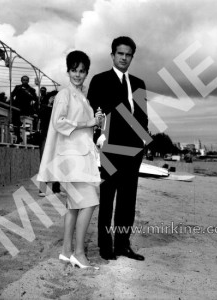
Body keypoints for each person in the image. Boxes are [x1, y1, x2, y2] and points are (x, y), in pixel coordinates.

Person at [37, 50, 103, 269]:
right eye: (74, 70)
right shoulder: (64, 94)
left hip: (81, 155)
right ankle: (79, 253)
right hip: (72, 158)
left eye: (82, 71)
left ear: (86, 73)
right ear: (68, 71)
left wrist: (96, 121)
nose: (77, 74)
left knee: (75, 206)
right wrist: (89, 122)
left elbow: (83, 123)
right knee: (91, 201)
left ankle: (66, 251)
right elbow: (59, 122)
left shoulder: (81, 95)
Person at [87, 36, 148, 261]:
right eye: (120, 53)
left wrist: (143, 144)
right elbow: (93, 110)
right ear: (112, 55)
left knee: (127, 200)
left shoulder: (139, 83)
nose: (124, 58)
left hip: (134, 150)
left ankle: (123, 244)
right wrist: (99, 137)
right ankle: (105, 246)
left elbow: (142, 117)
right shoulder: (100, 80)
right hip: (110, 147)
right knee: (107, 198)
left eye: (128, 54)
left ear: (132, 57)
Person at [38, 86, 61, 196]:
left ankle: (56, 189)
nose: (55, 99)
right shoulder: (44, 107)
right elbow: (41, 115)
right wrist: (49, 104)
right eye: (53, 97)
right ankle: (42, 190)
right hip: (46, 138)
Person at [11, 75, 38, 143]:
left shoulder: (31, 90)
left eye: (26, 80)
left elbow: (35, 99)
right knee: (15, 120)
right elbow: (12, 95)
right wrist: (13, 103)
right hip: (17, 107)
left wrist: (29, 95)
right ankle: (18, 137)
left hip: (26, 108)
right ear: (21, 81)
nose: (25, 81)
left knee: (16, 119)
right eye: (24, 80)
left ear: (28, 81)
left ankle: (19, 136)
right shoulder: (17, 87)